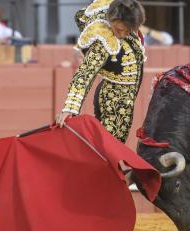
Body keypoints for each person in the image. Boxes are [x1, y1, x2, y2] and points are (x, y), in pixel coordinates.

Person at [56, 0, 146, 144]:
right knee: (110, 149)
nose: (122, 34)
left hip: (119, 94)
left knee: (109, 147)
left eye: (127, 30)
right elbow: (85, 73)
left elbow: (81, 16)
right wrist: (70, 108)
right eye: (118, 29)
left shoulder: (117, 10)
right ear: (111, 20)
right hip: (114, 97)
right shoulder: (103, 37)